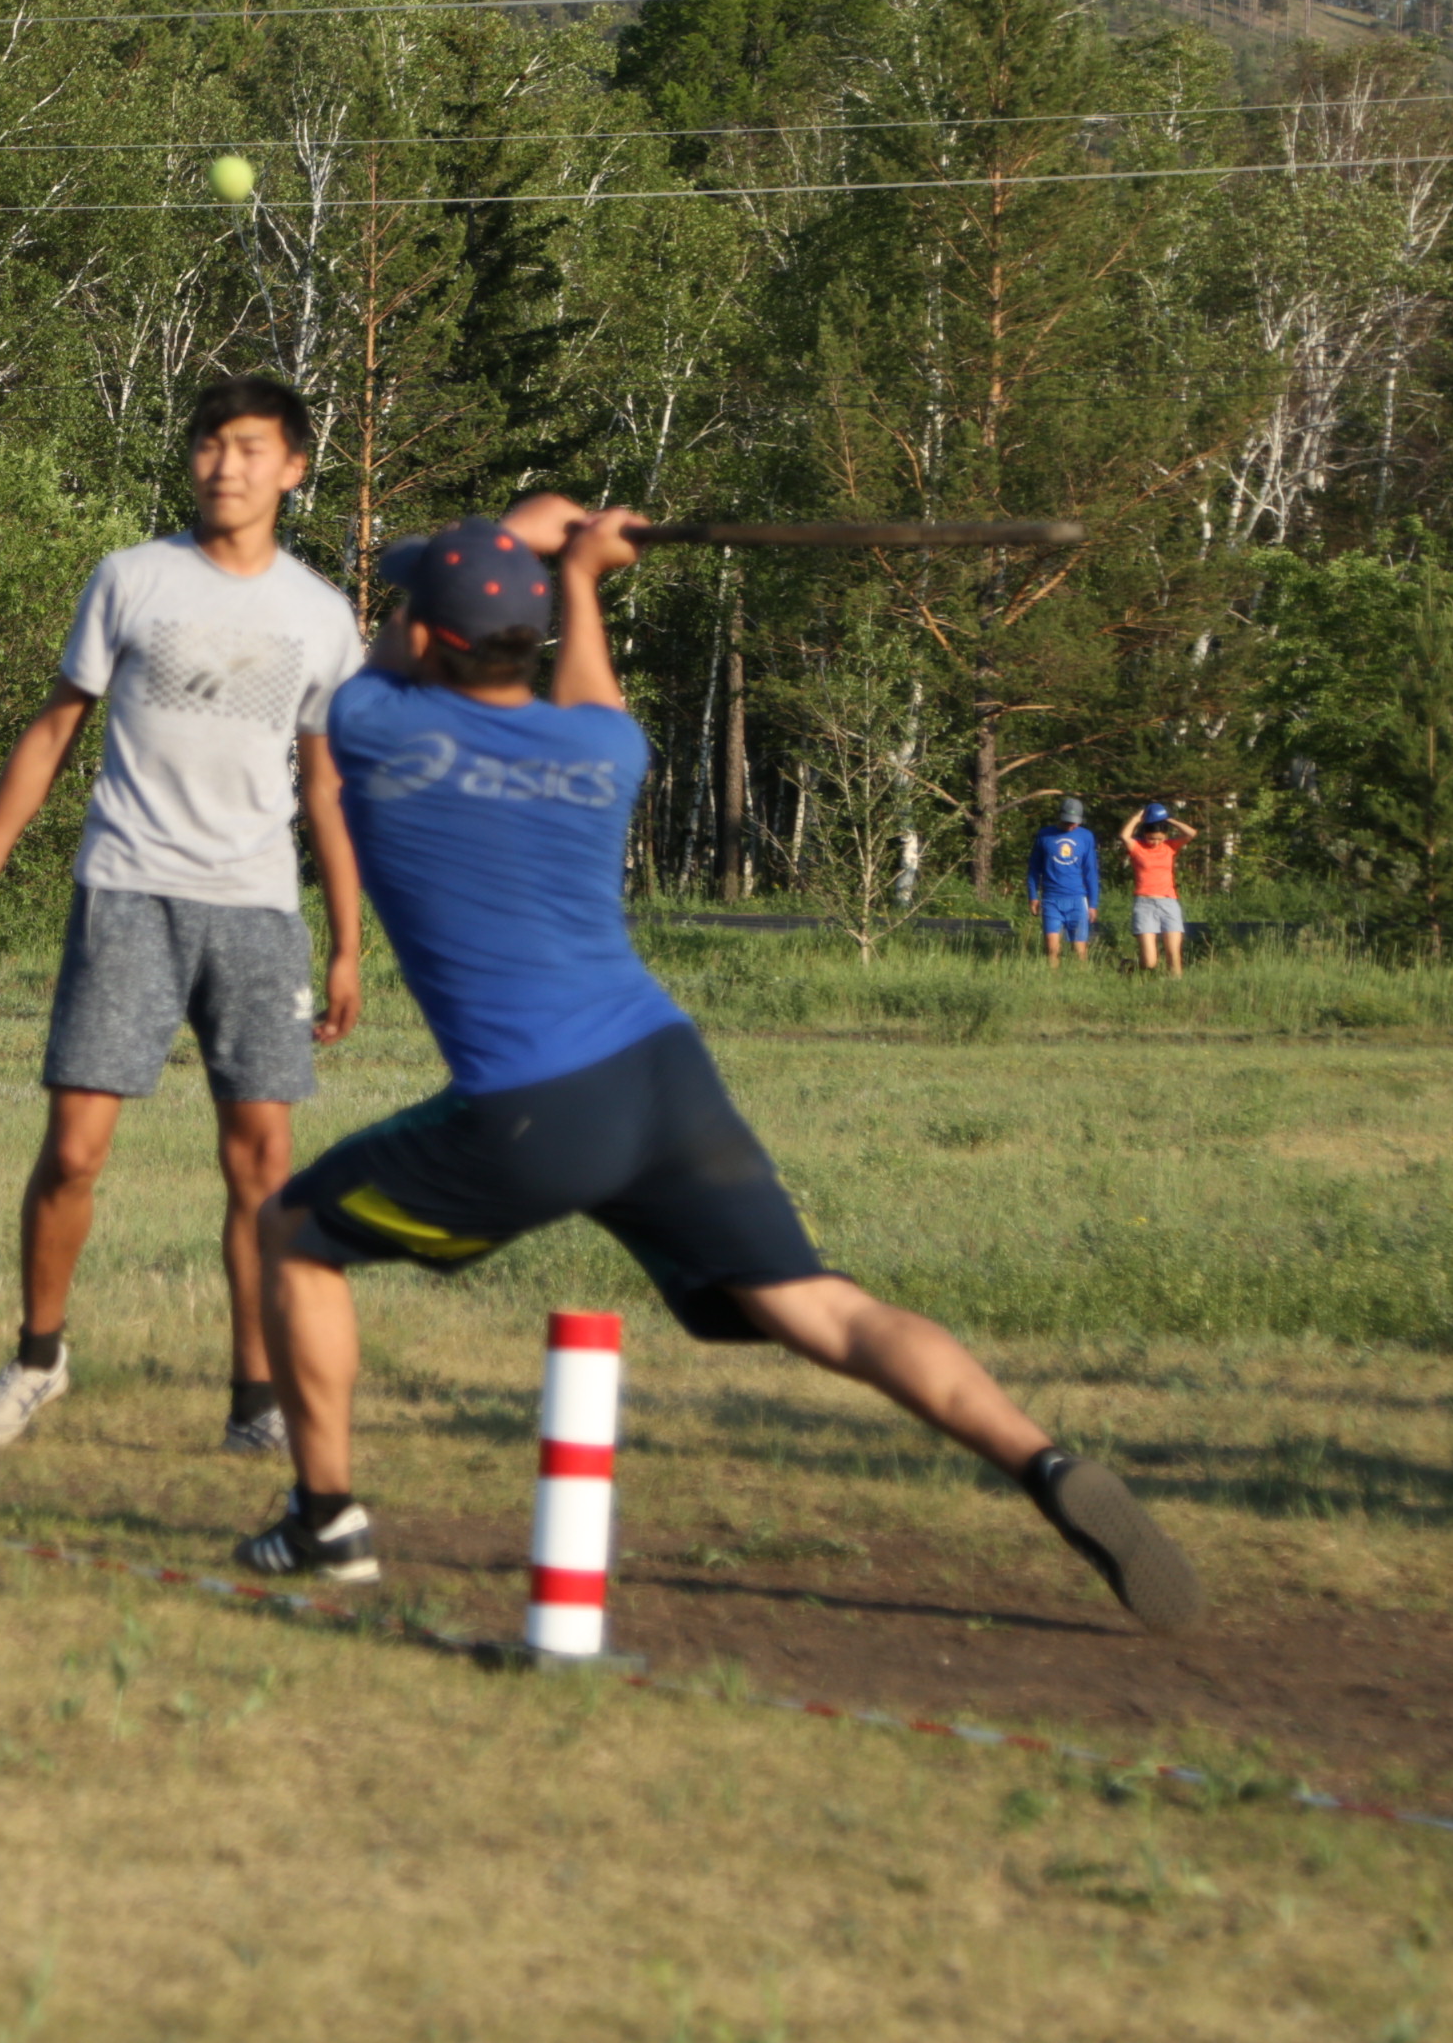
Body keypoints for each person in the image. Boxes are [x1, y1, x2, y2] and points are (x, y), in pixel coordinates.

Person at [229, 499, 1202, 1638]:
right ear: (536, 634)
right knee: (824, 1309)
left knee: (293, 1232)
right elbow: (578, 679)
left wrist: (523, 534)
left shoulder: (375, 729)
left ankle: (325, 1514)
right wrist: (582, 573)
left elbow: (398, 650)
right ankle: (1044, 1464)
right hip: (663, 1072)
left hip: (536, 1110)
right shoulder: (604, 748)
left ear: (432, 636)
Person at [0, 375, 370, 1456]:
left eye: (253, 447)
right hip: (127, 890)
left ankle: (256, 1401)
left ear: (294, 467)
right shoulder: (132, 578)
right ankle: (39, 1359)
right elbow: (51, 734)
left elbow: (326, 787)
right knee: (75, 1151)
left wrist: (352, 941)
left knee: (262, 1165)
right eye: (211, 443)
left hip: (258, 911)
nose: (227, 464)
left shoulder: (321, 614)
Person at [1122, 801, 1200, 976]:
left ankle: (1177, 990)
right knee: (1150, 961)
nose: (1155, 842)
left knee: (1174, 955)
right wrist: (1137, 817)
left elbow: (1191, 833)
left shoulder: (1170, 846)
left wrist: (1168, 818)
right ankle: (1129, 969)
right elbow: (1125, 836)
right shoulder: (1137, 847)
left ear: (1165, 836)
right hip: (1144, 904)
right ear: (1144, 835)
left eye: (1159, 838)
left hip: (1168, 902)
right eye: (1151, 838)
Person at [1026, 796, 1100, 965]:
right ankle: (1053, 986)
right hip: (1051, 899)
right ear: (1060, 816)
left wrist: (1093, 903)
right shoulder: (1045, 835)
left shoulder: (1086, 836)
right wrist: (1033, 896)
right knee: (1052, 949)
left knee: (1080, 951)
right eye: (1068, 822)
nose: (1072, 825)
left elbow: (1091, 872)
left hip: (1077, 899)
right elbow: (1034, 869)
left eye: (1075, 822)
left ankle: (1081, 983)